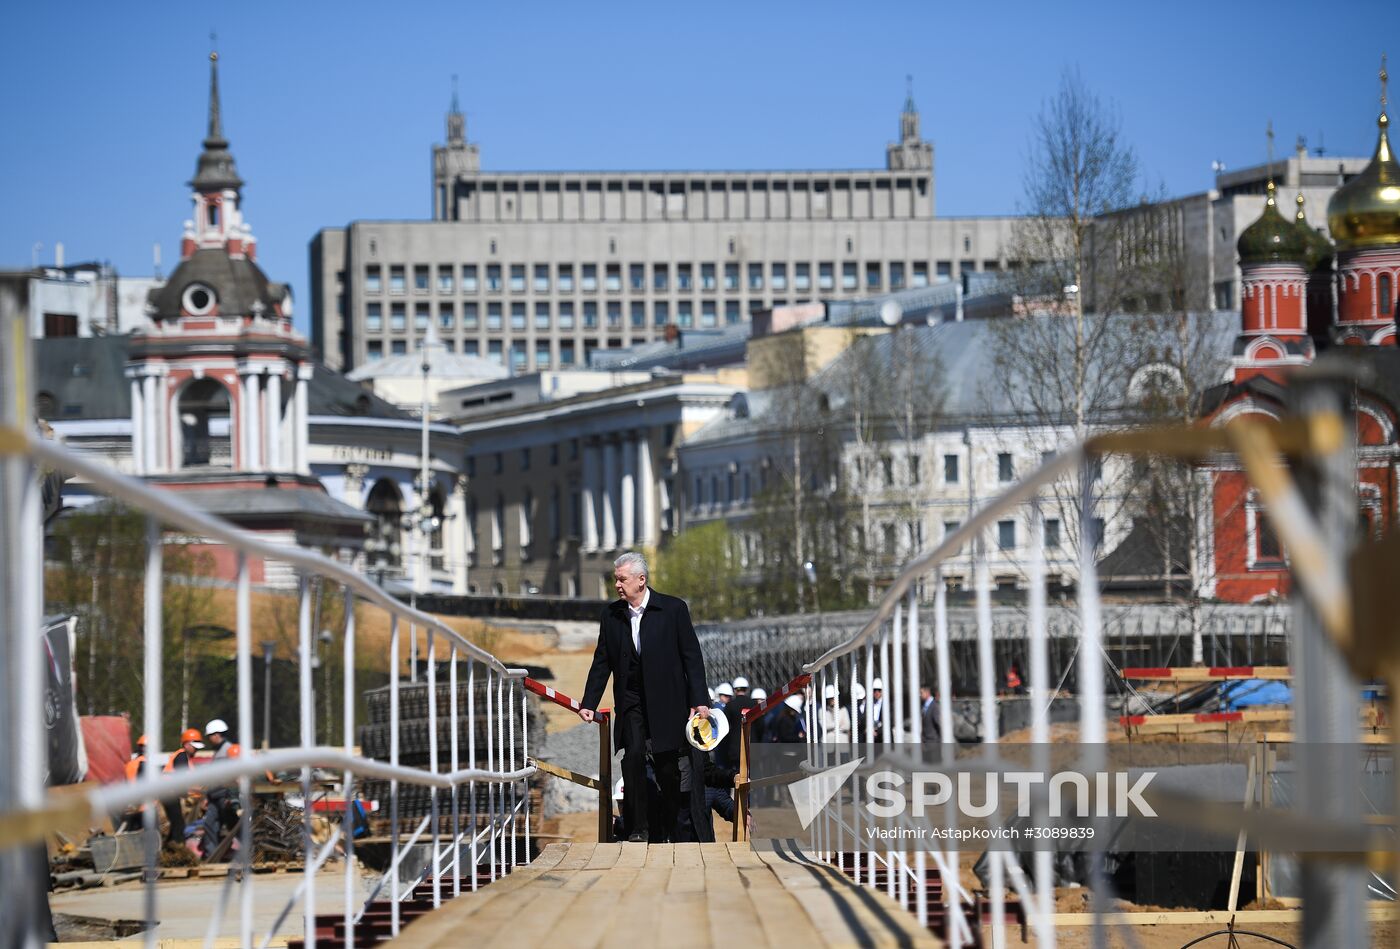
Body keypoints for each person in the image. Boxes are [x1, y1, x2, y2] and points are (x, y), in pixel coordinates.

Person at [580, 552, 709, 844]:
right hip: (631, 701)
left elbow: (692, 657)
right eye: (615, 579)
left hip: (667, 702)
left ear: (641, 580)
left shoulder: (673, 609)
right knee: (634, 756)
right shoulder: (611, 616)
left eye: (622, 579)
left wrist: (700, 699)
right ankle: (639, 828)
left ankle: (673, 826)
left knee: (667, 768)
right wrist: (589, 702)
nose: (617, 585)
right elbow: (602, 661)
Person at [197, 718, 242, 856]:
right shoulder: (219, 752)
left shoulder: (228, 750)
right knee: (209, 824)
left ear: (217, 735)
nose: (209, 739)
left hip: (224, 795)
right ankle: (213, 855)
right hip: (214, 796)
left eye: (210, 736)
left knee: (233, 825)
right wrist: (207, 796)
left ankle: (252, 849)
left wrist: (230, 796)